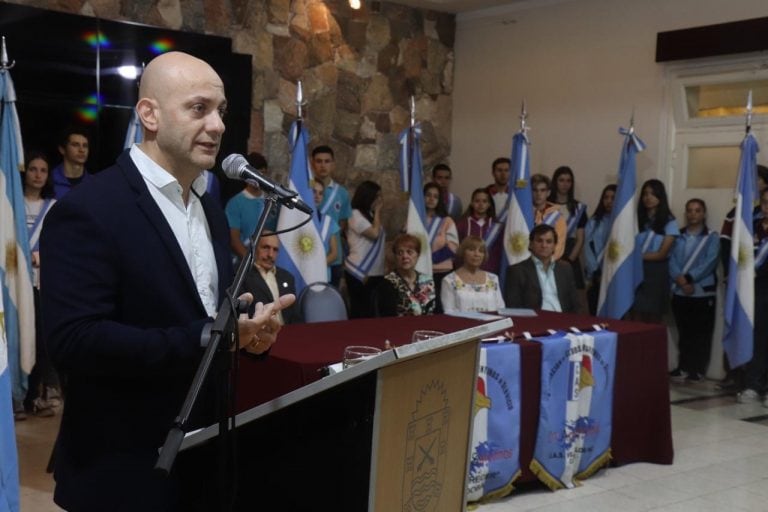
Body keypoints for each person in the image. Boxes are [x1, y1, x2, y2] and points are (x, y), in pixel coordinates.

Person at [40, 51, 295, 511]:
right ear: (149, 114)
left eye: (221, 111)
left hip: (203, 460)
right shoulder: (90, 208)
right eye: (199, 109)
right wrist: (208, 339)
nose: (217, 126)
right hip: (122, 468)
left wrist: (249, 334)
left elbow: (206, 311)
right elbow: (74, 340)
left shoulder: (209, 208)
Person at [18, 151, 58, 419]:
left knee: (41, 342)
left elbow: (59, 242)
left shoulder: (53, 206)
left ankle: (37, 396)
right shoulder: (13, 203)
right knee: (20, 338)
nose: (38, 175)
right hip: (18, 282)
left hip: (42, 283)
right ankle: (17, 398)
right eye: (33, 169)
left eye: (43, 170)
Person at [668, 199, 719, 382]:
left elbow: (710, 262)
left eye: (697, 210)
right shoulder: (677, 235)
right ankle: (683, 366)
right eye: (689, 210)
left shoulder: (712, 237)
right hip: (680, 291)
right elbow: (671, 259)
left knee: (701, 333)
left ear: (703, 213)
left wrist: (689, 279)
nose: (693, 214)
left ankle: (697, 369)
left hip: (702, 292)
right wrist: (680, 280)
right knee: (684, 331)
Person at [503, 224, 578, 313]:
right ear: (530, 244)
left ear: (554, 246)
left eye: (549, 241)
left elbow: (575, 303)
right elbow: (514, 308)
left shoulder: (565, 268)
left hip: (564, 321)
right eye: (539, 241)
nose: (544, 245)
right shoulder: (516, 271)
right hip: (534, 323)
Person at [632, 179, 677, 323]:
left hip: (656, 272)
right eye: (645, 194)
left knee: (653, 317)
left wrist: (635, 257)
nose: (648, 197)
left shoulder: (669, 221)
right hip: (635, 270)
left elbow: (662, 254)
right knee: (635, 314)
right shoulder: (636, 220)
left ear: (660, 196)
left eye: (652, 194)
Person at [739, 187, 768, 404]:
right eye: (765, 202)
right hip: (757, 289)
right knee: (757, 336)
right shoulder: (753, 227)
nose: (767, 206)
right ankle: (753, 385)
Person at [224, 152, 278, 263]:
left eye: (261, 173)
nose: (258, 178)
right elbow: (234, 239)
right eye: (254, 173)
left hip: (269, 260)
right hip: (244, 263)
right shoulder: (235, 203)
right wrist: (252, 261)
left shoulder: (272, 202)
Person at [311, 145, 352, 287]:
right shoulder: (305, 189)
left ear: (333, 164)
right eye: (319, 161)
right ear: (312, 163)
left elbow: (342, 223)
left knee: (331, 296)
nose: (323, 165)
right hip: (308, 249)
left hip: (333, 255)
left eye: (327, 161)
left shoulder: (342, 193)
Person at [344, 180, 385, 318]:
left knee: (372, 312)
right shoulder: (354, 214)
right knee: (360, 311)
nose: (380, 200)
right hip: (359, 271)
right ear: (368, 196)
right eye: (378, 196)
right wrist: (378, 211)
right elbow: (374, 234)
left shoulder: (370, 215)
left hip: (375, 271)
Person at [243, 232, 301, 325]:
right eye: (266, 247)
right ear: (254, 248)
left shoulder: (287, 277)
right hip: (258, 335)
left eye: (275, 250)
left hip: (288, 333)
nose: (270, 254)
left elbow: (295, 316)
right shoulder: (241, 275)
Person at [440, 236, 505, 314]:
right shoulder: (449, 280)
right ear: (463, 252)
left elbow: (501, 309)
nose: (477, 254)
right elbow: (448, 311)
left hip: (492, 324)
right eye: (471, 250)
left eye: (481, 251)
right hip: (462, 325)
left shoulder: (493, 279)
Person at [376, 234, 436, 317]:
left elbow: (437, 312)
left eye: (409, 252)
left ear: (418, 255)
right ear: (395, 257)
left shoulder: (428, 281)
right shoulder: (388, 283)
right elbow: (387, 317)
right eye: (400, 253)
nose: (405, 256)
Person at [549, 166, 588, 290]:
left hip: (570, 253)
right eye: (561, 180)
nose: (565, 184)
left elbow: (580, 238)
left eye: (568, 181)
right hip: (548, 252)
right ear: (555, 182)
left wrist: (570, 260)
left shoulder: (578, 208)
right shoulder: (546, 205)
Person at [424, 182, 459, 312]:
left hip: (441, 272)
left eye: (435, 196)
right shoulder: (415, 219)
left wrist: (431, 259)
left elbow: (453, 246)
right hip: (420, 271)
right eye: (428, 195)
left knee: (440, 306)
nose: (431, 199)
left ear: (439, 200)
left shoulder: (446, 221)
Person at [584, 184, 616, 315]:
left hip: (615, 275)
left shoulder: (622, 224)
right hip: (596, 276)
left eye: (613, 198)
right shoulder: (594, 222)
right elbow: (587, 247)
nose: (609, 201)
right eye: (606, 197)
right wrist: (595, 271)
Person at [457, 188, 502, 274]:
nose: (481, 204)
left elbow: (499, 253)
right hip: (466, 271)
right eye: (477, 201)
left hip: (490, 272)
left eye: (484, 201)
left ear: (489, 204)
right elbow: (458, 250)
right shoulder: (462, 224)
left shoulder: (497, 227)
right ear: (472, 203)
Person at [531, 173, 566, 261]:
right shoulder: (523, 214)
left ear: (548, 192)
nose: (538, 194)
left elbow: (559, 245)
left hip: (547, 264)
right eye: (535, 190)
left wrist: (546, 262)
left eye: (542, 190)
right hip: (524, 263)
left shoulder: (557, 217)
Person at [51, 126, 91, 198]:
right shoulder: (48, 181)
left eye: (85, 146)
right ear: (62, 149)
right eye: (75, 145)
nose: (82, 150)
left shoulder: (93, 183)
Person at [312, 179, 340, 277]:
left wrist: (314, 267)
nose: (317, 196)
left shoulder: (328, 221)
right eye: (314, 191)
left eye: (321, 193)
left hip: (320, 273)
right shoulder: (296, 218)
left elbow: (334, 253)